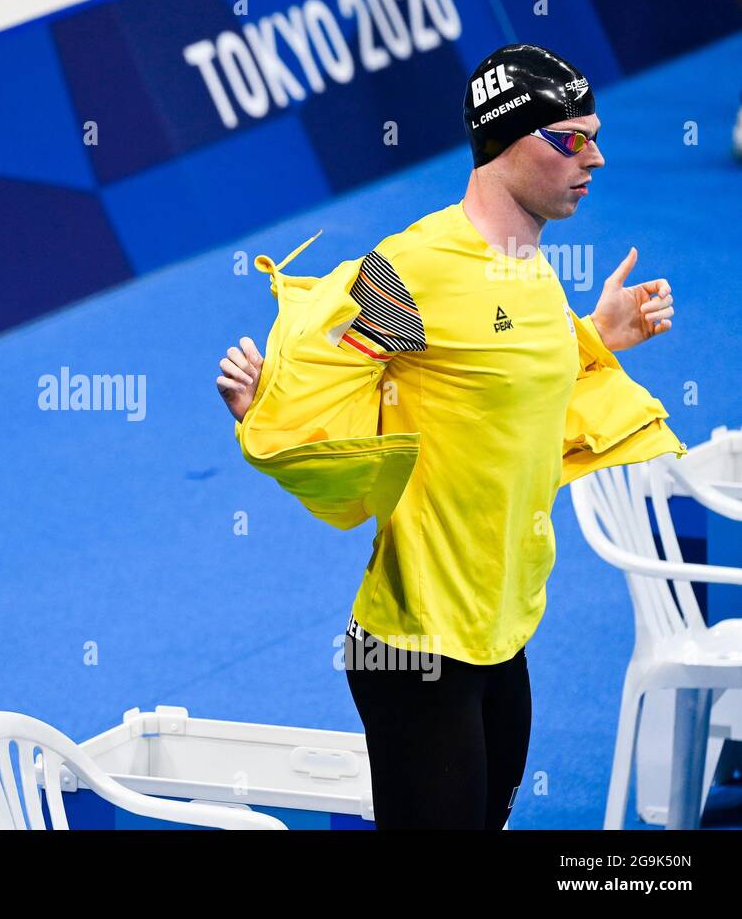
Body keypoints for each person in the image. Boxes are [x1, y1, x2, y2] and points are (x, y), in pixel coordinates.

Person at [216, 44, 684, 829]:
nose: (595, 157)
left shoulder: (529, 266)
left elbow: (497, 378)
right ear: (506, 141)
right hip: (414, 648)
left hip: (501, 634)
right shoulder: (410, 273)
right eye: (570, 139)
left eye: (595, 134)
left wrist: (596, 335)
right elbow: (325, 384)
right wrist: (269, 405)